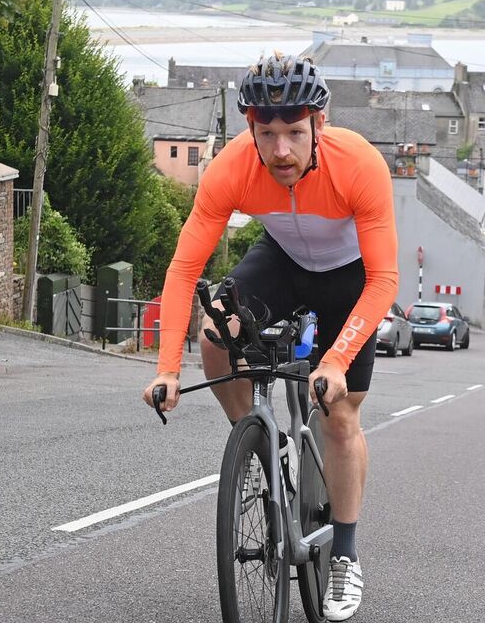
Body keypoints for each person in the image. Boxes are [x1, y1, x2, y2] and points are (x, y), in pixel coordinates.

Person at [141, 52, 397, 622]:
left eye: (295, 133)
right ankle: (258, 444)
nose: (281, 151)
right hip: (281, 258)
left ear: (319, 126)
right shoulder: (232, 169)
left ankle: (346, 556)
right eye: (267, 133)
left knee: (339, 414)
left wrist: (333, 359)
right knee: (215, 336)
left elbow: (384, 279)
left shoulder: (359, 165)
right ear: (249, 129)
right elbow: (184, 271)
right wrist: (165, 369)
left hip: (349, 276)